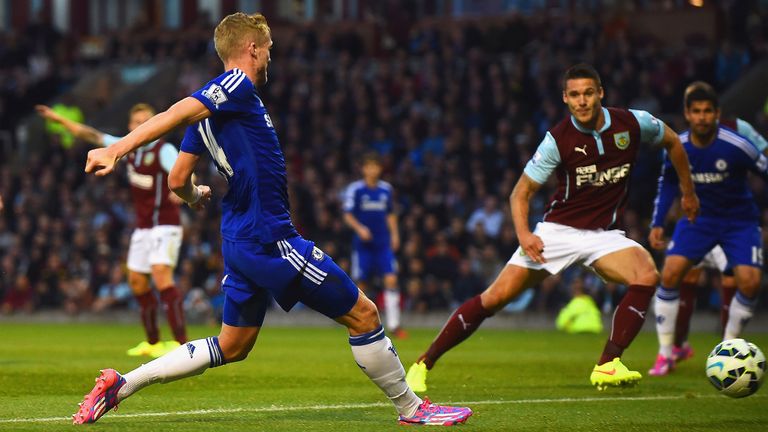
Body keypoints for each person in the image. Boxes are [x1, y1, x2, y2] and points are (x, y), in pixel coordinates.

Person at [73, 12, 472, 426]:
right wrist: (118, 148)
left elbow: (177, 179)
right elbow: (177, 111)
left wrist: (195, 195)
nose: (269, 59)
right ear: (252, 48)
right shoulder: (236, 84)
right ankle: (412, 408)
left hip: (240, 239)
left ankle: (123, 384)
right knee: (364, 314)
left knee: (233, 344)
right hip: (270, 237)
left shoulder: (211, 117)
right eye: (268, 50)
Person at [405, 63, 699, 392]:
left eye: (588, 93)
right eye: (575, 95)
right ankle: (422, 364)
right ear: (565, 98)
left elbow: (674, 142)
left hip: (603, 236)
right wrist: (524, 235)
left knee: (646, 274)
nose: (582, 101)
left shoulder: (633, 122)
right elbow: (521, 193)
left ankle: (607, 364)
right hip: (557, 232)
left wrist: (688, 192)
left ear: (600, 93)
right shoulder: (557, 140)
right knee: (494, 299)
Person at [36, 103, 188, 358]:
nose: (141, 125)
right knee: (138, 282)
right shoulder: (127, 147)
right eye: (136, 121)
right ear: (129, 126)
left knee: (161, 276)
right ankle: (153, 343)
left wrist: (183, 193)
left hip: (166, 224)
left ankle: (182, 343)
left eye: (146, 120)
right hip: (142, 228)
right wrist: (60, 120)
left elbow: (185, 173)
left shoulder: (164, 150)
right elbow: (92, 135)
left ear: (156, 123)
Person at [647, 81, 768, 375]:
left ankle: (727, 348)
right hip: (697, 221)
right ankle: (666, 354)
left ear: (717, 113)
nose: (702, 117)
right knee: (671, 273)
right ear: (688, 114)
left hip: (739, 222)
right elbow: (668, 185)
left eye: (707, 111)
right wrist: (658, 222)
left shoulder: (737, 145)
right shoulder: (679, 147)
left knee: (750, 282)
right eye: (696, 111)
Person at [343, 153, 406, 338]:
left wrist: (395, 234)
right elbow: (347, 214)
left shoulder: (386, 189)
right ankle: (359, 323)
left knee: (391, 280)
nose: (373, 170)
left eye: (376, 166)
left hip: (382, 244)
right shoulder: (356, 190)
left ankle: (394, 325)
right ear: (363, 169)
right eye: (369, 166)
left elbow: (390, 214)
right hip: (363, 245)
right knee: (361, 284)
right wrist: (360, 228)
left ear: (380, 169)